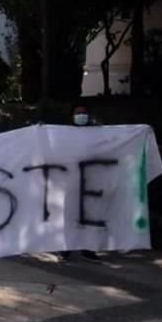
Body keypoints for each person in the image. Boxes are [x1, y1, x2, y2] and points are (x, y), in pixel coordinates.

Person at [59, 104, 100, 262]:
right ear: (72, 116)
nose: (81, 115)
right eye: (78, 113)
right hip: (71, 180)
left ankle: (88, 249)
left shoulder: (96, 133)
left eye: (84, 113)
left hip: (91, 181)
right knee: (69, 215)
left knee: (90, 215)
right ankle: (66, 248)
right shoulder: (64, 134)